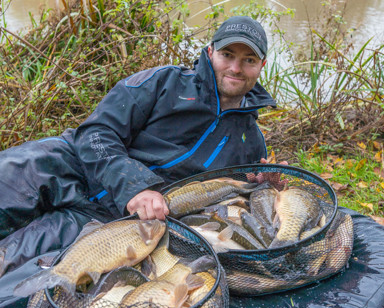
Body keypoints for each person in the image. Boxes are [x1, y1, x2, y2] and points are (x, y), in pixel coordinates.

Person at [0, 16, 276, 276]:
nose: (235, 68)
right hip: (68, 163)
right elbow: (96, 131)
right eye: (227, 55)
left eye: (248, 60)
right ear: (210, 52)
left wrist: (269, 187)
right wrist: (135, 186)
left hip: (111, 222)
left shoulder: (251, 142)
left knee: (14, 265)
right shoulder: (164, 81)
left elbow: (236, 198)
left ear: (262, 65)